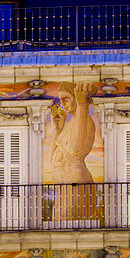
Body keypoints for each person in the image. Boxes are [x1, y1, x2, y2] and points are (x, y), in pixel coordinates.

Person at [50, 83, 98, 220]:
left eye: (66, 98)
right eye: (60, 99)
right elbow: (53, 159)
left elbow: (75, 149)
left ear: (77, 97)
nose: (62, 103)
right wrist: (57, 130)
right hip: (66, 188)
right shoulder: (69, 124)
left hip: (76, 185)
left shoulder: (85, 120)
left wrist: (82, 105)